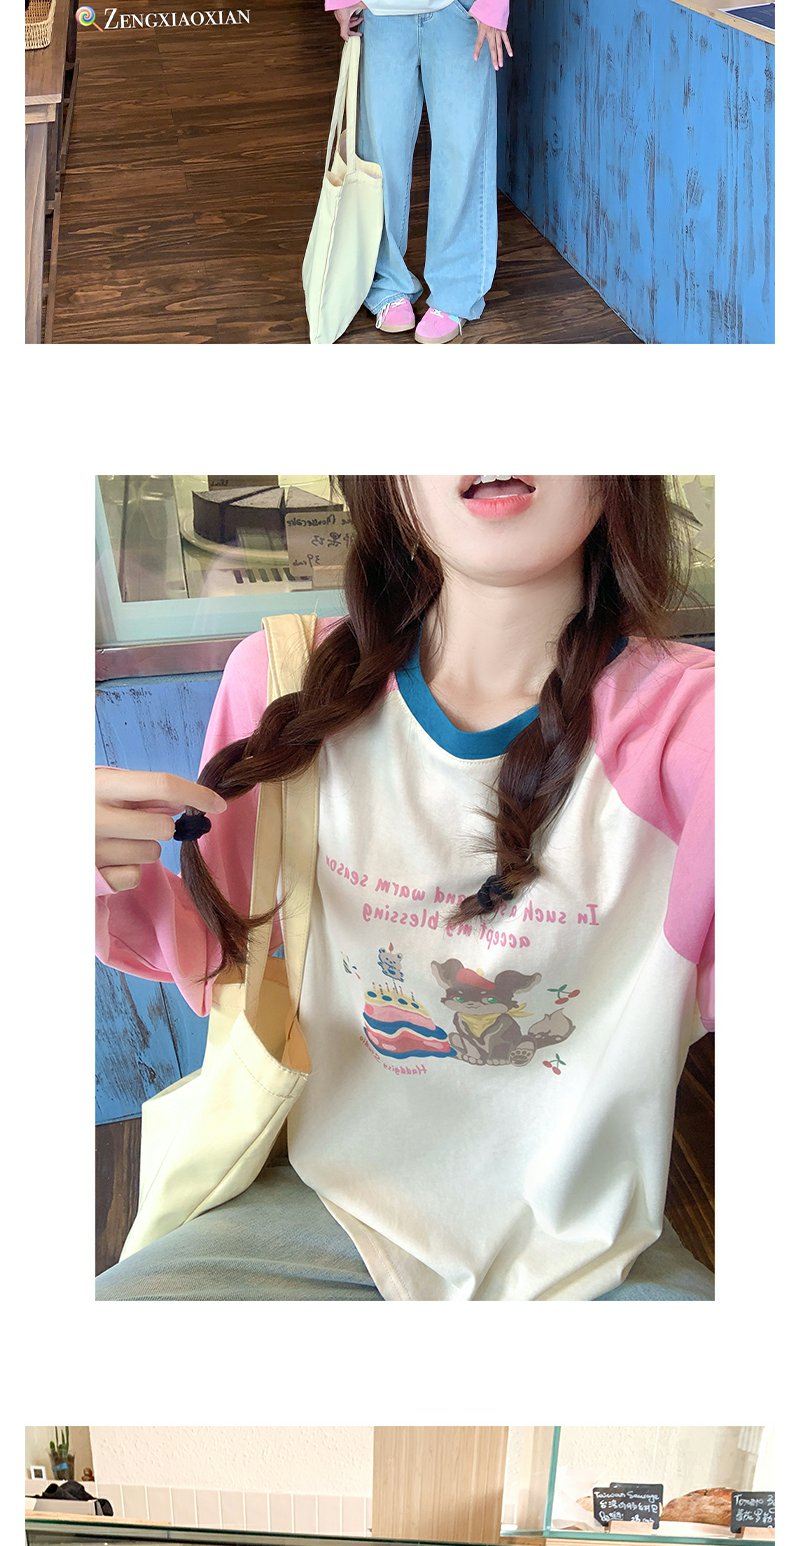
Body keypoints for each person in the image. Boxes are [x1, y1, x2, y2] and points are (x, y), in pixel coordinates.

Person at [96, 475, 714, 1301]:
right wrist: (101, 870)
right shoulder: (285, 679)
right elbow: (223, 962)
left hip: (586, 1249)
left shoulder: (700, 726)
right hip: (323, 1200)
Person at [328, 0, 511, 341]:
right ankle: (386, 281)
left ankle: (456, 287)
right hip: (380, 14)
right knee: (379, 155)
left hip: (460, 11)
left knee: (462, 150)